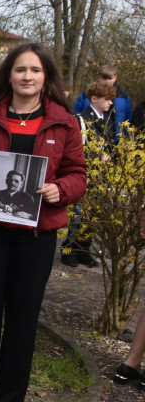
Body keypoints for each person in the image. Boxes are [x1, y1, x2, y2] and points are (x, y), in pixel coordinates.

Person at [0, 42, 86, 402]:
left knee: (23, 316)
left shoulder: (64, 121)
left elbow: (78, 175)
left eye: (35, 70)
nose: (27, 77)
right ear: (7, 75)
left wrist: (61, 190)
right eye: (20, 70)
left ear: (46, 77)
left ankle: (9, 399)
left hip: (37, 236)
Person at [61, 79, 117, 267]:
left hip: (100, 174)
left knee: (93, 213)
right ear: (94, 99)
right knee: (79, 213)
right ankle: (70, 249)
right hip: (86, 172)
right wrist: (96, 156)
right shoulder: (81, 119)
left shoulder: (106, 120)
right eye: (107, 99)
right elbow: (76, 149)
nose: (110, 103)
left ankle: (84, 249)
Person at [73, 65, 132, 138]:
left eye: (110, 78)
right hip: (90, 135)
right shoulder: (86, 95)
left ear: (115, 78)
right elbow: (76, 112)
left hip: (117, 138)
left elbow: (128, 118)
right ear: (99, 77)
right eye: (104, 78)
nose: (107, 81)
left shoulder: (123, 97)